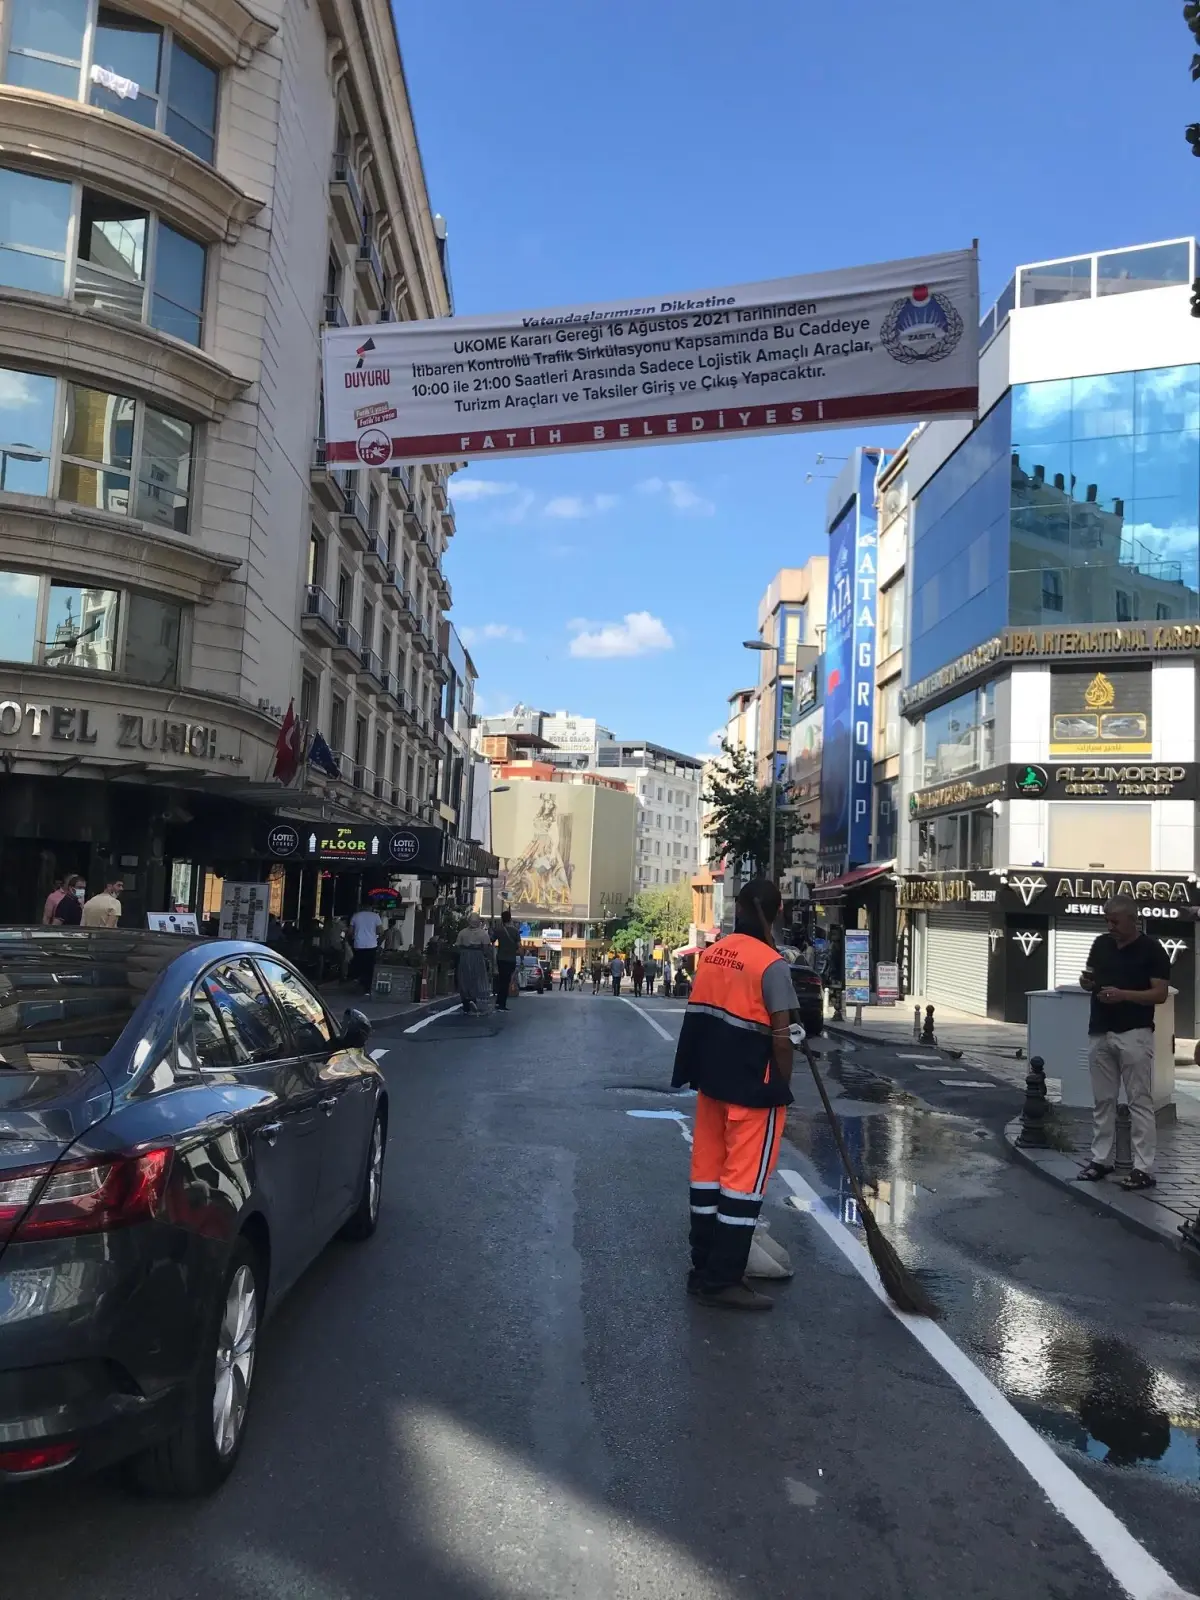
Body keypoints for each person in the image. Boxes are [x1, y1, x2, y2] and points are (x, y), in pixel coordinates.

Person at [670, 878, 795, 1311]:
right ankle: (723, 1280)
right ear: (777, 911)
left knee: (707, 1177)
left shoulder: (712, 954)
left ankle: (701, 1269)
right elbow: (781, 1037)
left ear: (738, 908)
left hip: (711, 1084)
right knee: (743, 1186)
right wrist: (784, 1082)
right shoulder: (771, 964)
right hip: (752, 1089)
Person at [1076, 894, 1169, 1192]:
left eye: (1115, 920)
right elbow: (1089, 976)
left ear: (1132, 919)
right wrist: (1087, 983)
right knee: (1103, 1100)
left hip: (1134, 1031)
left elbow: (1159, 994)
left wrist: (1124, 995)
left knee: (1139, 1100)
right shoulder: (1100, 944)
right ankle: (1100, 1160)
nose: (1110, 925)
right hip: (1100, 1029)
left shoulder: (1152, 950)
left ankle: (1143, 1168)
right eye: (1106, 920)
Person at [456, 914, 494, 1012]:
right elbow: (486, 948)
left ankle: (466, 1000)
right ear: (478, 922)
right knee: (477, 978)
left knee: (464, 978)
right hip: (478, 956)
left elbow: (458, 946)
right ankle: (475, 999)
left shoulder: (462, 933)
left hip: (464, 956)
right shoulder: (483, 934)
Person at [348, 898, 382, 996]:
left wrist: (350, 940)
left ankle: (358, 982)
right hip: (371, 945)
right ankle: (367, 989)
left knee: (359, 964)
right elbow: (380, 931)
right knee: (369, 967)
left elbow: (350, 932)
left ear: (361, 906)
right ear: (371, 907)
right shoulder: (376, 916)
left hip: (358, 945)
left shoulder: (356, 916)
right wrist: (377, 941)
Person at [492, 908, 521, 1010]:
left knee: (501, 980)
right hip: (511, 959)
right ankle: (502, 1003)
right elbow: (518, 946)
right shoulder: (515, 931)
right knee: (506, 981)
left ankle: (499, 1001)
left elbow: (491, 939)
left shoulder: (499, 930)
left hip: (501, 958)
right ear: (510, 919)